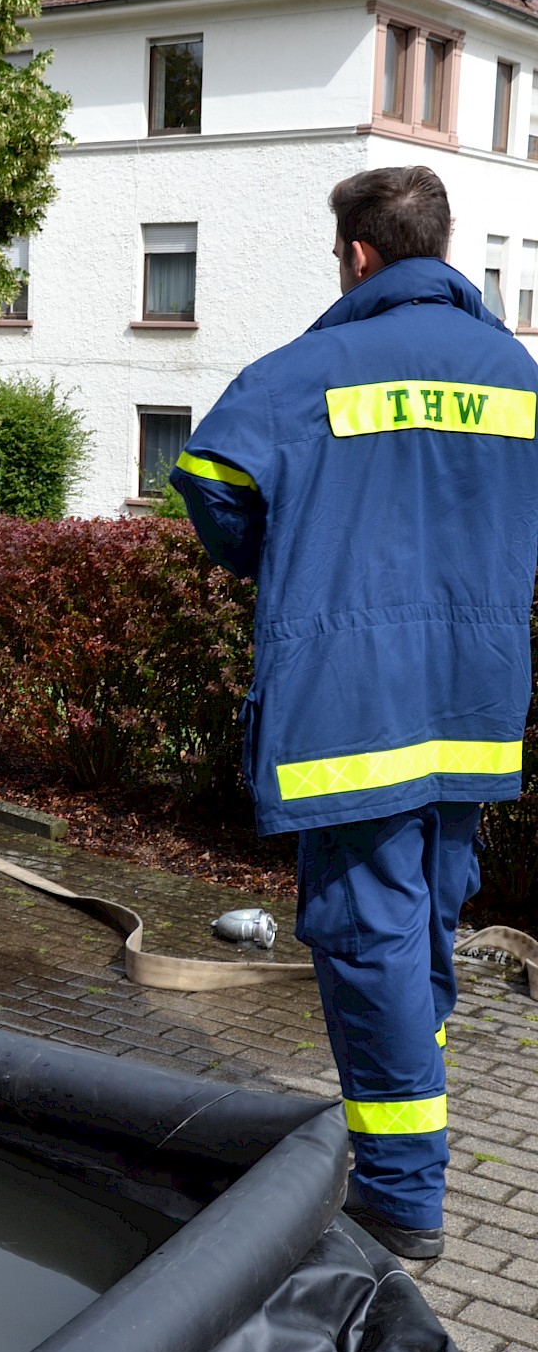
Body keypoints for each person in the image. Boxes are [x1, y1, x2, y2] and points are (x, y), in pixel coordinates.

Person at [170, 166, 538, 1261]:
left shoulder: (313, 368)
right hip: (471, 701)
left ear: (361, 256)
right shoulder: (514, 371)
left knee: (368, 936)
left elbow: (207, 472)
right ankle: (407, 1104)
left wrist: (273, 549)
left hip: (354, 712)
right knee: (424, 917)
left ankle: (402, 1190)